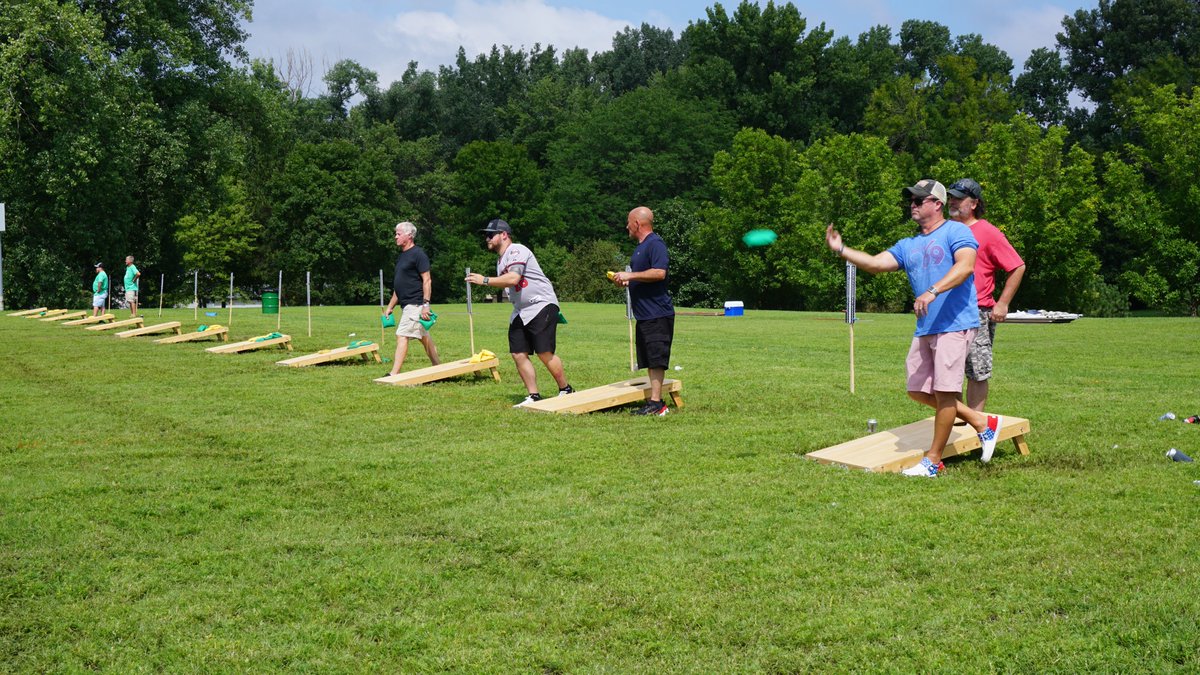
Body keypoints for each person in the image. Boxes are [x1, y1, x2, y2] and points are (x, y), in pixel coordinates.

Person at [825, 179, 1003, 478]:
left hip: (955, 323)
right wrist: (841, 248)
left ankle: (933, 461)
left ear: (938, 204)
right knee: (917, 390)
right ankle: (983, 423)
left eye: (920, 200)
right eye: (911, 200)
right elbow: (875, 263)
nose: (913, 204)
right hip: (926, 327)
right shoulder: (908, 244)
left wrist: (932, 291)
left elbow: (965, 267)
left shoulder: (957, 231)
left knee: (945, 393)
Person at [466, 219, 574, 406]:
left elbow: (514, 278)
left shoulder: (516, 250)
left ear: (504, 235)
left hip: (541, 304)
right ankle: (533, 396)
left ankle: (566, 389)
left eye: (491, 234)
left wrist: (485, 280)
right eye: (486, 235)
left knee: (544, 352)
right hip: (521, 311)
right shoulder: (500, 261)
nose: (487, 238)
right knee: (518, 353)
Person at [946, 178, 1026, 420]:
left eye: (959, 198)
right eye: (951, 197)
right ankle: (955, 421)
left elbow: (1017, 266)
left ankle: (975, 423)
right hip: (947, 312)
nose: (953, 202)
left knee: (977, 370)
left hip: (977, 311)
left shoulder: (988, 232)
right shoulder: (946, 230)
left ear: (974, 204)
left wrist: (1002, 303)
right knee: (949, 370)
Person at [611, 206, 675, 416]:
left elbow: (659, 272)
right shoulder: (640, 248)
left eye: (629, 222)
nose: (626, 226)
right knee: (648, 358)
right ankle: (652, 401)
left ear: (637, 223)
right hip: (645, 314)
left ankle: (658, 404)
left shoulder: (655, 244)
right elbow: (643, 278)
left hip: (657, 312)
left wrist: (630, 276)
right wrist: (627, 283)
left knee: (657, 358)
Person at [383, 222, 440, 375]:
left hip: (415, 304)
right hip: (407, 304)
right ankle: (438, 366)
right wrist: (390, 307)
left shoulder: (418, 254)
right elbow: (399, 286)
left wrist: (426, 305)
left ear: (409, 235)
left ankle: (394, 373)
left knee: (401, 335)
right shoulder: (402, 256)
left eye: (398, 233)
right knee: (424, 338)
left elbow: (427, 280)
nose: (395, 236)